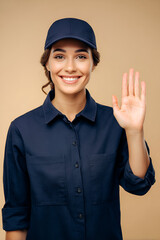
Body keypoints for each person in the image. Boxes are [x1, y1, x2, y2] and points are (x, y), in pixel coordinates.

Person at [1, 17, 156, 240]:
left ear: (93, 63)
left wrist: (134, 131)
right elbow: (16, 217)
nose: (70, 67)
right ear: (47, 63)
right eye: (60, 56)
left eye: (81, 56)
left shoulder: (116, 123)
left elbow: (138, 185)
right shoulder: (21, 130)